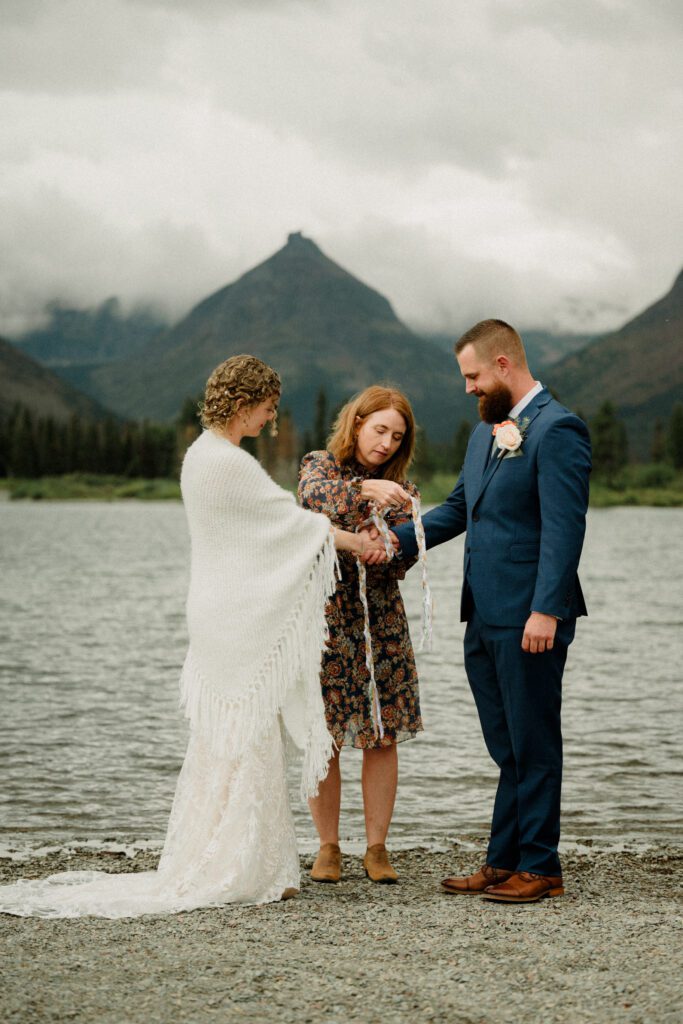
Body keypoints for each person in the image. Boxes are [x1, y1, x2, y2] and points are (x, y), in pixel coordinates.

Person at [0, 355, 380, 918]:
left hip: (216, 610)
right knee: (249, 728)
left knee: (227, 735)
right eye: (269, 406)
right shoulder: (226, 462)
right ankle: (244, 864)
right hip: (234, 615)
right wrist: (357, 543)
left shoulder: (199, 455)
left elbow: (256, 533)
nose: (273, 417)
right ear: (245, 402)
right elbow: (291, 524)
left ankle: (244, 856)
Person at [391, 321, 591, 904]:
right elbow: (459, 508)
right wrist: (396, 543)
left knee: (534, 740)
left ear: (503, 364)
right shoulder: (487, 435)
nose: (469, 388)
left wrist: (546, 610)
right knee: (506, 744)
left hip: (531, 615)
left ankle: (543, 866)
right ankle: (503, 861)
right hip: (482, 612)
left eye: (473, 375)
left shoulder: (559, 429)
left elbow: (563, 529)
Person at [298, 385, 422, 885]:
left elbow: (406, 554)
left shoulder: (404, 490)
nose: (387, 442)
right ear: (356, 424)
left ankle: (376, 848)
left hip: (382, 622)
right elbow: (312, 500)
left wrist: (386, 545)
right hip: (325, 617)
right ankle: (328, 847)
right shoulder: (318, 466)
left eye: (397, 435)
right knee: (324, 734)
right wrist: (363, 494)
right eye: (380, 430)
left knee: (382, 732)